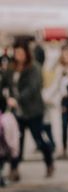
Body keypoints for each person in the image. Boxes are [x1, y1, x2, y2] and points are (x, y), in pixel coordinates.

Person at [4, 42, 54, 180]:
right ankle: (14, 169)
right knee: (16, 141)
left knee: (39, 139)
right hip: (16, 112)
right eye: (16, 52)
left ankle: (49, 162)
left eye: (21, 53)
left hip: (33, 111)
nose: (18, 55)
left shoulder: (34, 68)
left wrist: (17, 99)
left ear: (27, 54)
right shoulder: (11, 68)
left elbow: (33, 88)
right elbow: (5, 83)